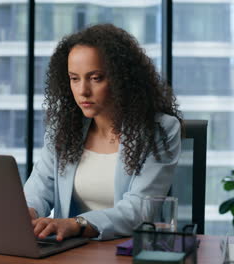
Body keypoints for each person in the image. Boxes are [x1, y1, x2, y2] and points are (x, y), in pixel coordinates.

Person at [24, 24, 183, 241]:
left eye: (96, 78)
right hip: (69, 252)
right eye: (74, 78)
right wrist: (28, 213)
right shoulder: (63, 128)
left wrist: (76, 224)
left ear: (122, 78)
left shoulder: (160, 130)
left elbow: (138, 211)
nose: (83, 91)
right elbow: (38, 188)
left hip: (127, 252)